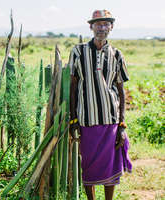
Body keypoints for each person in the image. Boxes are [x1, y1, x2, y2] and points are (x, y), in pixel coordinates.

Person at [68, 10, 132, 200]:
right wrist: (73, 120)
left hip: (110, 120)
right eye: (98, 24)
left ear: (111, 27)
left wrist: (122, 125)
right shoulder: (78, 52)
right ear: (91, 27)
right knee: (88, 165)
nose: (102, 28)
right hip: (87, 120)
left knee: (110, 165)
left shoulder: (117, 55)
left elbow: (121, 92)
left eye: (106, 24)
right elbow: (72, 87)